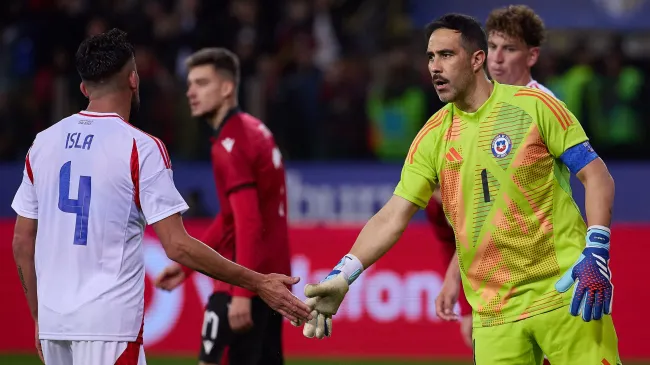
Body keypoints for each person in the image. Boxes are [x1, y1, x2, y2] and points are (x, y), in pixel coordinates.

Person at [293, 13, 621, 365]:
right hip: (494, 316)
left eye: (446, 55)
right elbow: (393, 215)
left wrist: (597, 249)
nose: (435, 66)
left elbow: (596, 175)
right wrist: (343, 275)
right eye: (431, 57)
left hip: (565, 295)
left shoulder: (534, 107)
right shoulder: (432, 138)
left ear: (477, 59)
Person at [11, 29, 311, 365]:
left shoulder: (42, 144)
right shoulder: (141, 148)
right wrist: (258, 283)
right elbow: (178, 245)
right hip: (110, 329)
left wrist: (39, 317)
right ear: (134, 80)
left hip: (54, 327)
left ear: (83, 88)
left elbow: (22, 240)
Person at [432, 4, 558, 348]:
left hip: (542, 278)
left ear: (531, 56)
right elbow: (479, 212)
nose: (497, 58)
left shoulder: (542, 107)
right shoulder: (474, 112)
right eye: (494, 47)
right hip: (494, 283)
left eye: (510, 49)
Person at [154, 48, 290, 365]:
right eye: (190, 84)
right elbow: (232, 216)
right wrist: (187, 266)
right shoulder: (255, 130)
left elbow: (249, 223)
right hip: (273, 279)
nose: (190, 92)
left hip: (244, 281)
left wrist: (241, 295)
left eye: (201, 83)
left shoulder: (230, 144)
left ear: (227, 88)